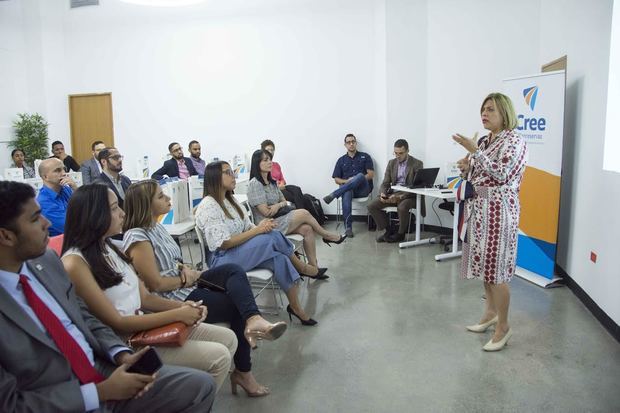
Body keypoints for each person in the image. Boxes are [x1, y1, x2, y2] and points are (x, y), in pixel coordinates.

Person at [0, 180, 216, 412]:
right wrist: (100, 392)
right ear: (6, 236)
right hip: (60, 393)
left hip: (101, 365)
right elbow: (10, 405)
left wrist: (121, 355)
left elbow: (84, 316)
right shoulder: (73, 262)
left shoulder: (46, 263)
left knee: (199, 386)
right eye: (34, 219)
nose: (48, 224)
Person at [61, 184, 238, 393]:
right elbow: (118, 323)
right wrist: (178, 314)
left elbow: (145, 298)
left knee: (229, 338)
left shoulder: (108, 247)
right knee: (218, 357)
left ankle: (191, 399)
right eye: (115, 208)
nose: (122, 213)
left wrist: (183, 307)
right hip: (127, 344)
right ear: (94, 215)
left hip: (144, 326)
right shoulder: (75, 263)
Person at [122, 179, 287, 396]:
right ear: (145, 204)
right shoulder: (136, 235)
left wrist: (184, 268)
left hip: (186, 281)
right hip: (176, 296)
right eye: (161, 196)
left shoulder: (157, 227)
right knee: (237, 305)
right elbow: (155, 283)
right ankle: (244, 371)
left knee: (233, 270)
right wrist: (185, 279)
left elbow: (170, 262)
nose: (168, 198)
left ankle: (253, 320)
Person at [195, 161, 321, 326]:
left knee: (279, 258)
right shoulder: (209, 205)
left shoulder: (229, 200)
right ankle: (303, 267)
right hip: (222, 260)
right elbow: (224, 243)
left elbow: (248, 226)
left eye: (231, 171)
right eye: (227, 172)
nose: (233, 175)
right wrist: (258, 231)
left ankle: (296, 308)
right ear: (215, 178)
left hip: (239, 250)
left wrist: (263, 227)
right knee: (273, 238)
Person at [452, 92, 527, 352]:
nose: (484, 114)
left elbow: (502, 174)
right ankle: (489, 314)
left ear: (504, 113)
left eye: (491, 110)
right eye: (483, 109)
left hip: (499, 211)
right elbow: (477, 173)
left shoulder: (514, 141)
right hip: (479, 209)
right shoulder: (485, 140)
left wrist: (474, 153)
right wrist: (466, 166)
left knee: (497, 271)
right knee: (484, 267)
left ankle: (503, 326)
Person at [248, 149, 346, 270]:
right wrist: (278, 205)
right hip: (267, 225)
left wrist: (277, 205)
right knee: (304, 213)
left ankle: (314, 268)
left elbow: (284, 201)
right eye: (266, 160)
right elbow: (266, 212)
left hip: (278, 218)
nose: (270, 162)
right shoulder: (255, 184)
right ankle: (327, 235)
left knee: (307, 229)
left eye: (270, 159)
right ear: (257, 163)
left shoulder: (271, 181)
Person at [367, 139, 424, 243]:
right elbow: (385, 182)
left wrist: (400, 197)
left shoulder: (417, 164)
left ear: (407, 151)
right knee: (372, 206)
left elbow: (417, 187)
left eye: (401, 153)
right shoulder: (392, 163)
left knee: (402, 207)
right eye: (395, 153)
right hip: (393, 193)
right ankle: (389, 230)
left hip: (410, 196)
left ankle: (401, 234)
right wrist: (383, 193)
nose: (398, 156)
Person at [323, 133, 374, 237]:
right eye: (348, 142)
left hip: (363, 189)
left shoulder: (365, 156)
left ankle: (334, 194)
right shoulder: (341, 160)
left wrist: (356, 179)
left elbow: (371, 174)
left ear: (356, 143)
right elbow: (337, 179)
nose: (351, 144)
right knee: (346, 191)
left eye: (353, 142)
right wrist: (348, 182)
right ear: (345, 145)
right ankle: (348, 228)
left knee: (359, 176)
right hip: (348, 190)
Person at [37, 157, 77, 236]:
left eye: (64, 169)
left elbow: (86, 208)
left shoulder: (66, 189)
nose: (64, 173)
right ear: (45, 177)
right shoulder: (44, 202)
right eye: (57, 170)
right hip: (61, 244)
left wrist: (75, 188)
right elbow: (71, 227)